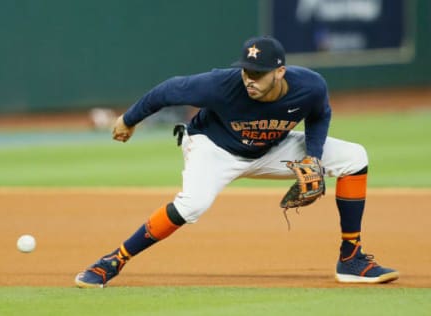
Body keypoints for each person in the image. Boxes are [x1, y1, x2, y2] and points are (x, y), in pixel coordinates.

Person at [75, 36, 398, 287]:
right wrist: (129, 120)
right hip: (214, 148)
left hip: (270, 148)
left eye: (258, 74)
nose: (249, 79)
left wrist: (313, 156)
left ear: (280, 72)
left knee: (354, 157)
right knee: (192, 205)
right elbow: (168, 90)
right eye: (246, 71)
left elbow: (319, 114)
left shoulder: (310, 86)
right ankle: (113, 260)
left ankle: (351, 259)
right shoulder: (221, 85)